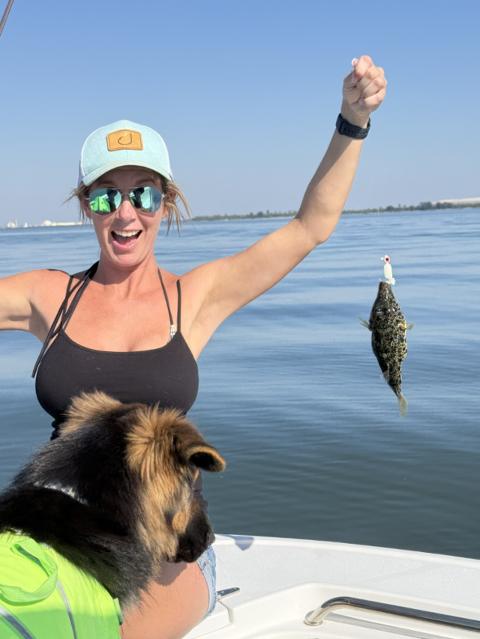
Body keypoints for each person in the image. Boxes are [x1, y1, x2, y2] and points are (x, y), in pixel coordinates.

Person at [0, 54, 386, 639]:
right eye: (105, 197)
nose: (125, 213)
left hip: (167, 547)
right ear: (86, 206)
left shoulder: (195, 298)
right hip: (60, 532)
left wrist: (352, 121)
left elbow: (310, 227)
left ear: (166, 201)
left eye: (143, 194)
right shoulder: (48, 296)